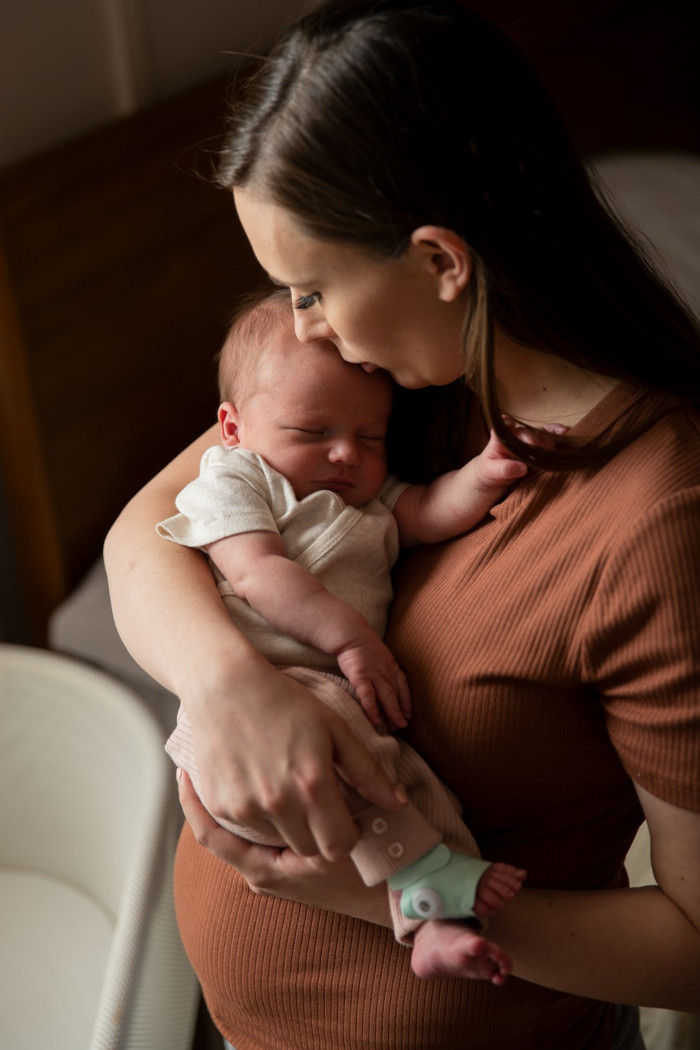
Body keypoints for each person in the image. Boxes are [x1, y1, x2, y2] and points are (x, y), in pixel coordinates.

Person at [103, 2, 700, 1048]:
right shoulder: (377, 394)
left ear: (438, 261)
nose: (302, 329)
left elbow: (695, 944)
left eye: (313, 287)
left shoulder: (660, 520)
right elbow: (144, 530)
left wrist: (373, 897)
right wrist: (231, 687)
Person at [158, 286, 538, 978]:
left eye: (369, 437)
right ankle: (428, 893)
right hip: (262, 701)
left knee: (408, 785)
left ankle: (434, 920)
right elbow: (258, 572)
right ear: (233, 427)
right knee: (367, 771)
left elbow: (425, 512)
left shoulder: (366, 493)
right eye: (311, 433)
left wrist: (483, 476)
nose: (345, 455)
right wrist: (353, 641)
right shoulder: (235, 478)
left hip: (327, 702)